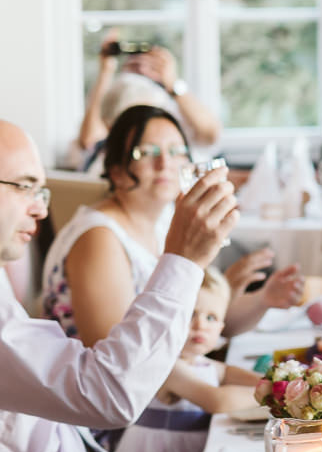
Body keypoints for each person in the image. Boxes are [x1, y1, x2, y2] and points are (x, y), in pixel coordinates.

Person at [0, 118, 237, 452]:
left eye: (43, 190)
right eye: (25, 188)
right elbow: (107, 393)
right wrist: (184, 259)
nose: (41, 208)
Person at [43, 105, 301, 344]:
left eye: (176, 151)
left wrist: (261, 299)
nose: (165, 164)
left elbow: (199, 331)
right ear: (116, 171)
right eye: (146, 152)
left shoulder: (166, 219)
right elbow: (116, 361)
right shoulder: (99, 239)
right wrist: (216, 393)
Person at [112, 268, 259, 452]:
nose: (200, 324)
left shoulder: (201, 363)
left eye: (211, 318)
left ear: (222, 326)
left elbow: (232, 374)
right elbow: (217, 401)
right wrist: (274, 391)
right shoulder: (165, 365)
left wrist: (282, 379)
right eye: (190, 314)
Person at [76, 31, 222, 168]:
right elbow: (89, 139)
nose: (140, 65)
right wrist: (105, 71)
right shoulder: (120, 96)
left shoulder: (174, 110)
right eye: (133, 59)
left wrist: (172, 84)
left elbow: (210, 135)